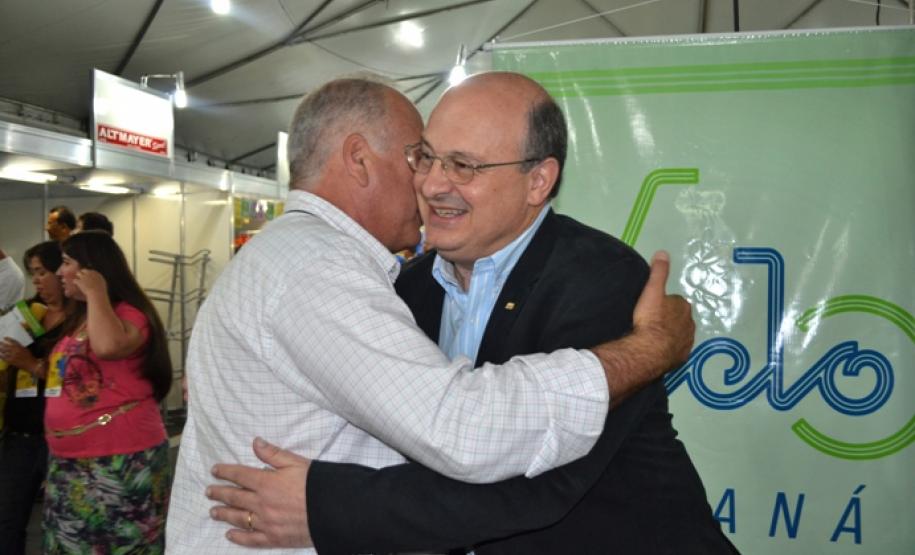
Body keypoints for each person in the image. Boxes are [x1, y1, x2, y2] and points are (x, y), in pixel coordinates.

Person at [206, 72, 735, 554]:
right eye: (427, 158)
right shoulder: (402, 289)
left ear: (538, 181)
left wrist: (324, 507)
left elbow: (531, 488)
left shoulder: (603, 279)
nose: (433, 184)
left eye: (464, 166)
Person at [43, 231, 172, 553]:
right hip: (70, 461)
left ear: (93, 270)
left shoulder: (130, 315)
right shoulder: (80, 320)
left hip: (119, 460)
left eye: (67, 263)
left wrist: (97, 292)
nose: (60, 273)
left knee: (119, 545)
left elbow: (108, 346)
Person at [0, 241, 68, 555]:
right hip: (20, 433)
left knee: (61, 522)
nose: (37, 280)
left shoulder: (80, 320)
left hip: (62, 436)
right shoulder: (27, 312)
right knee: (7, 521)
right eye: (33, 273)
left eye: (42, 272)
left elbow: (80, 381)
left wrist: (31, 364)